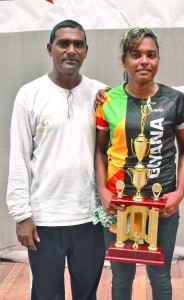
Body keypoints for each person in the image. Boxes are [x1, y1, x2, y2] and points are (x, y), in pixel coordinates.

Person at [6, 20, 107, 300]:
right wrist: (22, 215)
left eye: (78, 45)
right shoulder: (30, 94)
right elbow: (19, 158)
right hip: (44, 219)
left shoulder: (101, 93)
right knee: (46, 294)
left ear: (86, 51)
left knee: (87, 294)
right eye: (64, 44)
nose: (71, 50)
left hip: (91, 217)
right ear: (50, 49)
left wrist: (183, 91)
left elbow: (141, 95)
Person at [94, 27, 184, 300]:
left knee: (160, 277)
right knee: (121, 277)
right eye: (136, 55)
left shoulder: (174, 100)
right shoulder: (108, 100)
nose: (144, 61)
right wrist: (103, 191)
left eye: (151, 55)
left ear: (159, 59)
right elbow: (100, 151)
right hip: (119, 203)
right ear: (125, 59)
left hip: (162, 207)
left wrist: (179, 192)